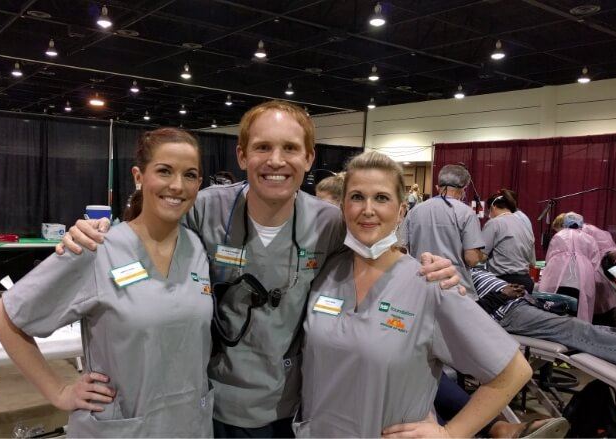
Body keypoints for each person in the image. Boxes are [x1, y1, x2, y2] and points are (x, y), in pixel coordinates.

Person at [58, 100, 461, 437]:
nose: (276, 161)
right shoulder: (206, 208)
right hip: (211, 403)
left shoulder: (330, 223)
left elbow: (378, 246)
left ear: (309, 157)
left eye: (289, 148)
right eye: (263, 147)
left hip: (291, 404)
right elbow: (151, 223)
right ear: (242, 155)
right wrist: (96, 232)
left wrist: (431, 267)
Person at [0, 128, 215, 437]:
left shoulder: (199, 250)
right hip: (122, 428)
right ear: (139, 176)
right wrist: (60, 391)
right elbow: (5, 318)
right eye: (164, 171)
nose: (177, 185)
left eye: (190, 175)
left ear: (199, 184)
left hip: (189, 426)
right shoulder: (96, 248)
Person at [297, 151, 532, 438]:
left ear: (401, 212)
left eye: (381, 198)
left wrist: (451, 433)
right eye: (357, 197)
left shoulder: (430, 284)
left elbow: (513, 372)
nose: (367, 209)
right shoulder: (324, 274)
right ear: (344, 207)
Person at [471, 267, 616, 376]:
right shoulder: (451, 278)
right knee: (573, 328)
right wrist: (502, 294)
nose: (481, 251)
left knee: (585, 329)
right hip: (506, 312)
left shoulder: (469, 266)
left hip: (520, 302)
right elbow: (469, 312)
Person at [404, 164, 486, 298]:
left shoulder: (414, 212)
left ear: (438, 186)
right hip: (455, 289)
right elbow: (471, 259)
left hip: (421, 287)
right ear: (464, 188)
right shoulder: (466, 213)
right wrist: (482, 256)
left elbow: (404, 250)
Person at [538, 213, 601, 322]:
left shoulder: (559, 235)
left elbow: (549, 258)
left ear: (565, 222)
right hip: (582, 281)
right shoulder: (589, 239)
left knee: (557, 309)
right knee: (577, 310)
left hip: (559, 280)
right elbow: (595, 262)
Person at [482, 190, 536, 293]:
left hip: (504, 282)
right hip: (526, 282)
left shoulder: (494, 223)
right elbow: (532, 262)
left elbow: (481, 256)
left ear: (493, 207)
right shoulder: (525, 225)